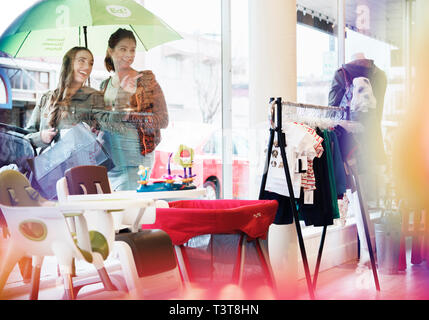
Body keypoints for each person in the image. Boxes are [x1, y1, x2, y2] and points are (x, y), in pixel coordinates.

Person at [329, 53, 388, 271]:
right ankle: (376, 251)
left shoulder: (340, 74)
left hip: (349, 145)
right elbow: (379, 113)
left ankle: (368, 254)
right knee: (369, 199)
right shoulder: (380, 77)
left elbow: (332, 114)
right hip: (371, 143)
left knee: (356, 199)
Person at [101, 28, 169, 191]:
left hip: (135, 161)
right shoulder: (104, 85)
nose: (129, 54)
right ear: (111, 51)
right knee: (114, 213)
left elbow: (163, 120)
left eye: (132, 50)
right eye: (123, 49)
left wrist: (130, 116)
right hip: (109, 164)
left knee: (130, 211)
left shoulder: (145, 80)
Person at [25, 46, 104, 149]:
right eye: (82, 61)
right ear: (69, 64)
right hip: (48, 163)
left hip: (82, 163)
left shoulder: (95, 98)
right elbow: (25, 139)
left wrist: (98, 134)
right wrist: (41, 137)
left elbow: (108, 135)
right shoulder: (46, 99)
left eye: (91, 63)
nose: (87, 67)